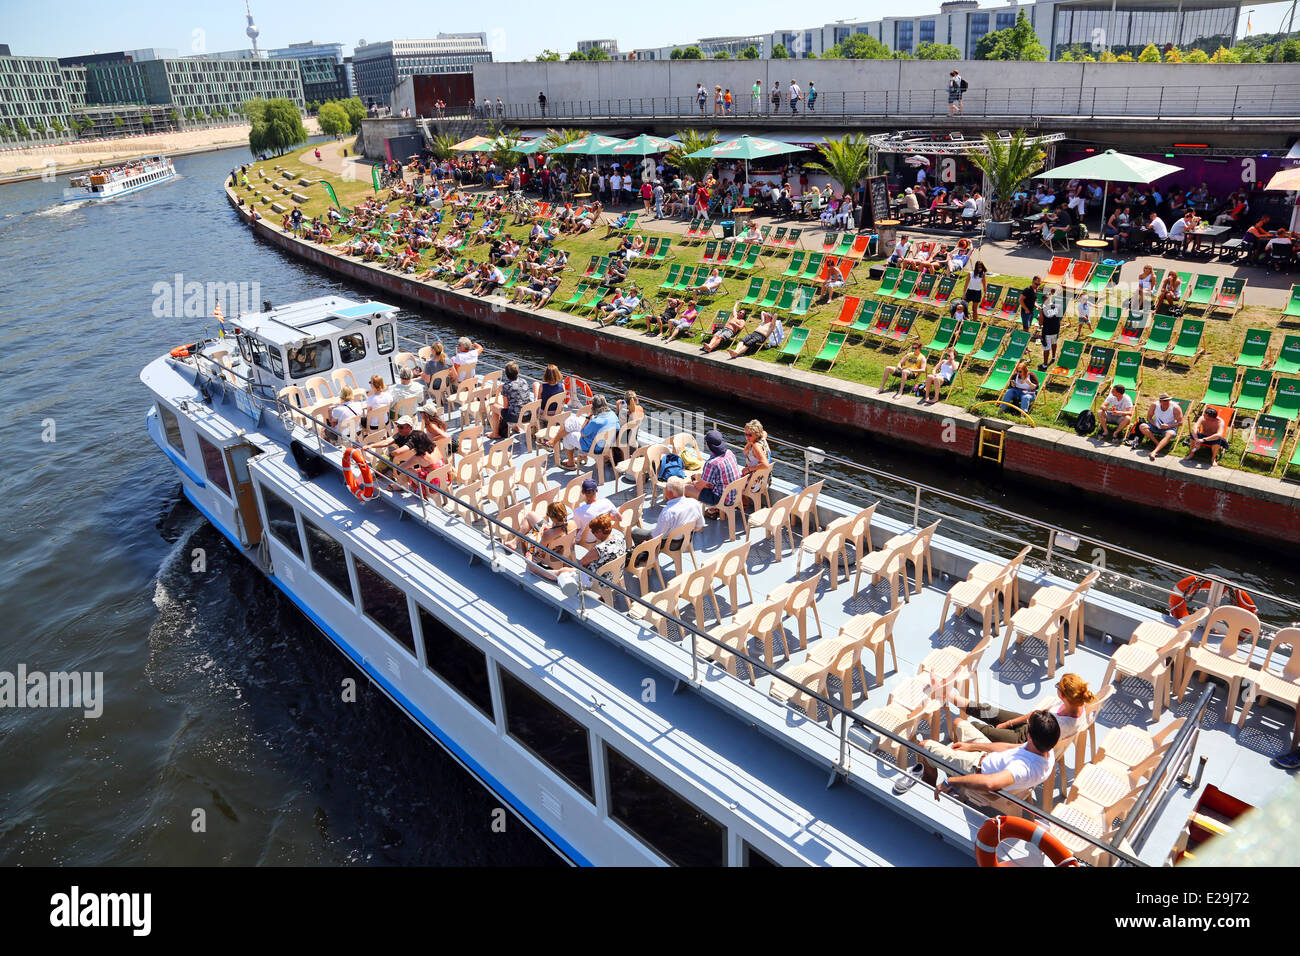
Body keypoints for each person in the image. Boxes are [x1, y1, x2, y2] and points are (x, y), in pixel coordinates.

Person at [942, 673, 1096, 746]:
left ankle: (960, 749)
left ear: (1063, 695)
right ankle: (948, 696)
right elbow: (1035, 714)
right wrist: (1009, 723)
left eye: (1058, 686)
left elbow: (1032, 745)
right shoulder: (1078, 704)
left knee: (975, 727)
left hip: (1026, 739)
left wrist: (1005, 730)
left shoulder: (1060, 723)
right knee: (988, 711)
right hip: (1032, 724)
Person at [629, 476, 704, 546]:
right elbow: (699, 526)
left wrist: (647, 544)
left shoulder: (668, 512)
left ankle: (646, 556)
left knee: (635, 532)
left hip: (670, 544)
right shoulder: (694, 503)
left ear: (670, 493)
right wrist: (684, 531)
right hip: (687, 540)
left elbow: (655, 537)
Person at [552, 394, 618, 469]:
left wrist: (587, 418)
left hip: (595, 447)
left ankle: (571, 463)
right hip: (606, 444)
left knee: (567, 435)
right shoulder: (613, 415)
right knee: (573, 423)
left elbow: (582, 434)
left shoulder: (596, 422)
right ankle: (582, 455)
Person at [690, 429, 742, 516]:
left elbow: (699, 487)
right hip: (735, 495)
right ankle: (712, 511)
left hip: (722, 499)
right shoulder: (729, 453)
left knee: (687, 489)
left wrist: (693, 484)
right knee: (704, 483)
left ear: (708, 445)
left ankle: (691, 518)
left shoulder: (711, 463)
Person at [491, 361, 532, 439]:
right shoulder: (524, 381)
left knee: (494, 407)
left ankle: (495, 434)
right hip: (528, 415)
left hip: (515, 417)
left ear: (506, 373)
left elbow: (506, 407)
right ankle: (516, 427)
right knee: (518, 405)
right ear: (517, 372)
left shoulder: (506, 386)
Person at [573, 477, 618, 544]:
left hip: (585, 540)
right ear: (596, 491)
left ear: (582, 492)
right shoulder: (606, 502)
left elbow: (577, 530)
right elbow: (619, 518)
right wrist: (607, 518)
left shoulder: (577, 511)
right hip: (603, 535)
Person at [1037, 287, 1062, 371]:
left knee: (1046, 348)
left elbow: (1040, 323)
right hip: (1056, 330)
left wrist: (1040, 313)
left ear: (1044, 301)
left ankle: (1044, 365)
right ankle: (1054, 357)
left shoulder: (1043, 310)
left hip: (1047, 332)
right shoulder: (1058, 306)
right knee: (1054, 343)